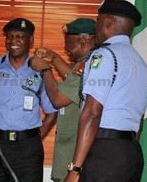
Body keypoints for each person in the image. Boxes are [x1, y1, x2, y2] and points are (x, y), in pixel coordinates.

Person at [64, 0, 147, 182]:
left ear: (109, 22)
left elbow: (92, 114)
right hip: (131, 153)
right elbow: (140, 122)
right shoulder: (142, 64)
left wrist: (75, 169)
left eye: (98, 20)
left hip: (105, 153)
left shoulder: (104, 55)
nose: (95, 26)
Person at [0, 18, 58, 182]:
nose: (14, 41)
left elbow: (52, 113)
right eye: (10, 36)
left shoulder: (41, 71)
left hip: (29, 150)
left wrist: (33, 139)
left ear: (31, 40)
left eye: (20, 36)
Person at [28, 18, 96, 182]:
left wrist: (45, 69)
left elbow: (59, 99)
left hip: (75, 148)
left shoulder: (88, 64)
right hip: (73, 145)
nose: (66, 49)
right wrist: (55, 57)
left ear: (81, 41)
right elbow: (74, 80)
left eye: (68, 43)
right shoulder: (89, 62)